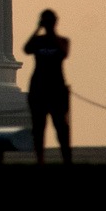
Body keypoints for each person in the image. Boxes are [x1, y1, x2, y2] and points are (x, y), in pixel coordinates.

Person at [22, 9, 72, 166]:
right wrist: (38, 29)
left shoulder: (62, 40)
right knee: (38, 128)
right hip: (39, 89)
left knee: (61, 128)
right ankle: (40, 160)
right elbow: (26, 48)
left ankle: (66, 159)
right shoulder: (38, 41)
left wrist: (52, 33)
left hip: (56, 89)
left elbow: (64, 53)